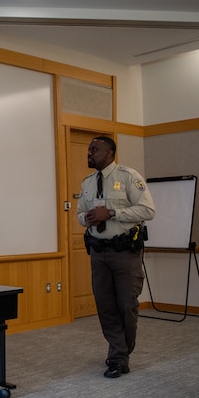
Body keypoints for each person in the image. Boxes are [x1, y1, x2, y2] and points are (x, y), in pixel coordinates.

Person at [77, 136, 155, 379]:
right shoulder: (88, 183)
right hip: (98, 253)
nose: (89, 153)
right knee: (105, 306)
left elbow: (147, 210)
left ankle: (122, 351)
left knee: (126, 305)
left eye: (95, 149)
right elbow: (79, 213)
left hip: (125, 252)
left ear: (110, 152)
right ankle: (118, 355)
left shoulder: (128, 176)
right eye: (89, 149)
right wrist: (87, 218)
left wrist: (111, 212)